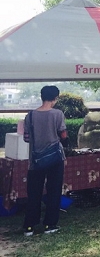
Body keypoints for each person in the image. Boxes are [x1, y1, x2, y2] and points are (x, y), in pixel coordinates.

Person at [22, 85, 68, 236]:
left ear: (42, 97)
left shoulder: (30, 116)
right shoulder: (58, 114)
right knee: (54, 191)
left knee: (34, 192)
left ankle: (29, 226)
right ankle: (50, 225)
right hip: (55, 158)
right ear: (55, 98)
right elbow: (63, 135)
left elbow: (26, 138)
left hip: (35, 161)